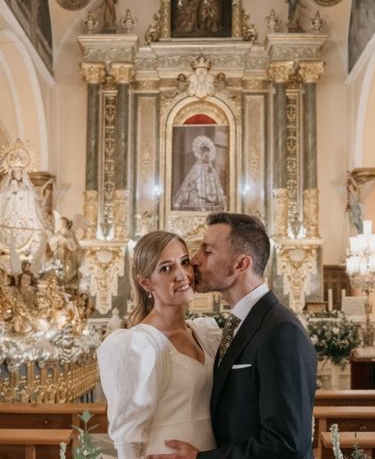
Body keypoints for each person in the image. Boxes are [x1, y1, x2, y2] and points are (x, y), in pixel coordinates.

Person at [150, 213, 317, 459]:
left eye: (207, 252)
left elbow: (287, 442)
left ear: (241, 265)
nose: (194, 260)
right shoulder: (239, 323)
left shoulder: (281, 331)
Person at [97, 231, 221, 458]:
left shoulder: (205, 333)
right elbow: (127, 439)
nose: (182, 274)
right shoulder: (137, 345)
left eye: (184, 262)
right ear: (145, 282)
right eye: (166, 268)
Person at [173, 136, 226, 211]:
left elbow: (217, 185)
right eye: (205, 155)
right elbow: (189, 181)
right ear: (201, 155)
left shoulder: (212, 169)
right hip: (199, 196)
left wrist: (221, 200)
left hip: (211, 197)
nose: (206, 157)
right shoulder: (197, 167)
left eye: (208, 155)